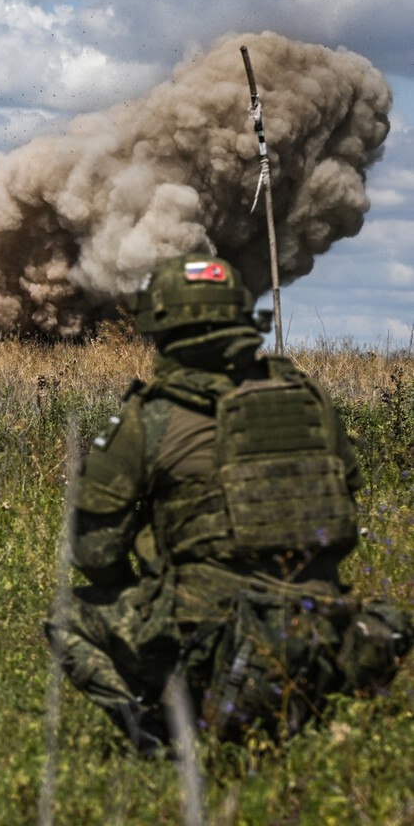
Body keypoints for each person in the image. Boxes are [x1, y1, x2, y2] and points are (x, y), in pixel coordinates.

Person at [48, 254, 410, 751]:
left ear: (162, 325)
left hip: (206, 640)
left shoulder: (151, 416)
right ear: (243, 316)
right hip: (319, 634)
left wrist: (155, 583)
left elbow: (94, 552)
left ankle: (158, 736)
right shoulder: (309, 399)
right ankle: (317, 727)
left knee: (70, 615)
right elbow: (345, 509)